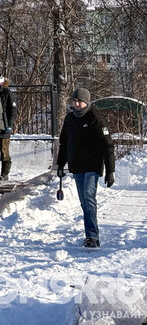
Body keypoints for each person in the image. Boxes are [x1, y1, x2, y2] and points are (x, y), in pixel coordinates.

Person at [56, 88, 115, 248]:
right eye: (74, 101)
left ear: (87, 102)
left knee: (88, 199)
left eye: (79, 101)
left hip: (92, 165)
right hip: (76, 165)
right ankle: (90, 232)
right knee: (84, 201)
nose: (76, 104)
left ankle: (92, 237)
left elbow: (108, 145)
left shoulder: (95, 118)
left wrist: (110, 171)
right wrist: (60, 165)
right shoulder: (69, 119)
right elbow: (64, 143)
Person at [0, 74, 17, 180]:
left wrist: (10, 125)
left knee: (4, 151)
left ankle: (4, 174)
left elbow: (12, 110)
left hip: (5, 124)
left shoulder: (7, 93)